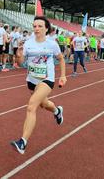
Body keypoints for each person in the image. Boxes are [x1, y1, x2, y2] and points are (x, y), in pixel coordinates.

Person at [11, 16, 67, 154]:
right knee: (44, 104)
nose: (36, 28)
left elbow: (61, 59)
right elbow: (20, 63)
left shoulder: (52, 44)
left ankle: (22, 142)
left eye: (40, 26)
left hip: (47, 79)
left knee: (31, 106)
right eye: (34, 26)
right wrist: (18, 55)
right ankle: (57, 111)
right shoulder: (28, 43)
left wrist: (63, 75)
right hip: (31, 80)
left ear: (46, 28)